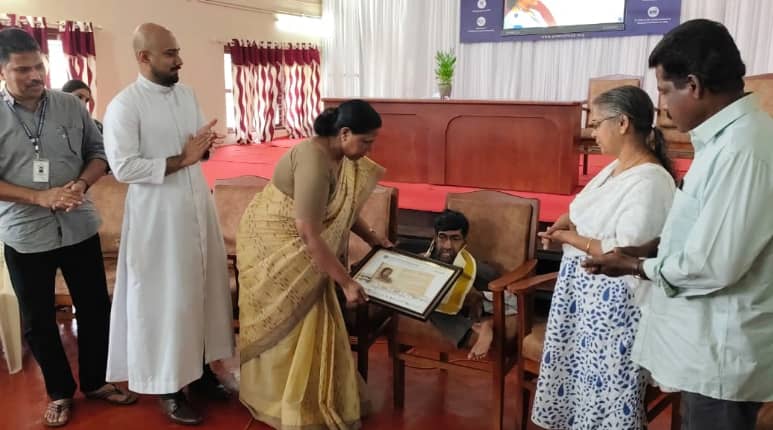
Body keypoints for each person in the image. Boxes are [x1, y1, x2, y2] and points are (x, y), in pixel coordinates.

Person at [583, 19, 773, 430]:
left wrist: (635, 266)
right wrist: (650, 247)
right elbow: (707, 229)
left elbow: (713, 264)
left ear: (694, 85)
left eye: (665, 91)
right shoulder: (724, 141)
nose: (663, 107)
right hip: (705, 348)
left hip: (721, 357)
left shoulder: (741, 150)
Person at [0, 27, 136, 427]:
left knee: (95, 309)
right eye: (22, 69)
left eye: (38, 67)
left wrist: (81, 184)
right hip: (25, 234)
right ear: (2, 71)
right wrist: (39, 197)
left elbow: (98, 153)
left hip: (78, 227)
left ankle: (96, 382)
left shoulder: (69, 105)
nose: (34, 76)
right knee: (38, 320)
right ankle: (60, 392)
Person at [102, 23, 233, 426]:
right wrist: (184, 159)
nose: (179, 61)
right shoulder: (125, 106)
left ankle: (202, 372)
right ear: (144, 57)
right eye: (170, 54)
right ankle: (167, 387)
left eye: (177, 52)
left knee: (200, 293)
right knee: (166, 300)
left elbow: (196, 150)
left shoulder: (186, 94)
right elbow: (123, 167)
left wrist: (204, 149)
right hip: (158, 219)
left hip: (197, 208)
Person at [237, 99, 390, 430]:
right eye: (366, 141)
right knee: (298, 319)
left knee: (317, 314)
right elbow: (308, 233)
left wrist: (374, 238)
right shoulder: (314, 162)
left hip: (305, 241)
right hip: (276, 245)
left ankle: (314, 394)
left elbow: (344, 208)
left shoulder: (341, 157)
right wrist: (346, 282)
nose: (370, 149)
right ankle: (279, 398)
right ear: (344, 133)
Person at [531, 85, 676, 429]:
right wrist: (566, 221)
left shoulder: (651, 180)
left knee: (605, 393)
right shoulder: (615, 168)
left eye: (596, 124)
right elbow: (586, 209)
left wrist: (568, 237)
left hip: (614, 306)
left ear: (623, 123)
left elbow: (622, 249)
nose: (592, 132)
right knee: (578, 385)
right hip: (583, 298)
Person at [423, 209, 501, 360]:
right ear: (435, 238)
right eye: (442, 237)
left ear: (464, 241)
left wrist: (478, 295)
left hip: (480, 301)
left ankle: (487, 325)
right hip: (447, 311)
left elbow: (508, 300)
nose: (447, 245)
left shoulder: (479, 271)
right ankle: (479, 327)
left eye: (455, 239)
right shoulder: (424, 261)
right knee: (427, 302)